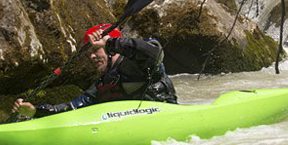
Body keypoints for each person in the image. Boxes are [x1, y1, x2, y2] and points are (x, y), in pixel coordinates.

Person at [12, 24, 177, 118]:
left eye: (96, 49)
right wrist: (35, 111)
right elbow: (73, 108)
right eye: (88, 52)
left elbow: (155, 53)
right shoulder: (102, 83)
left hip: (166, 117)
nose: (91, 56)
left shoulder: (134, 64)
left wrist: (110, 43)